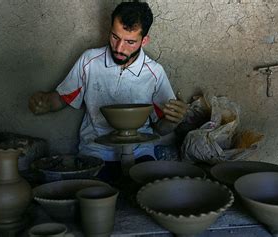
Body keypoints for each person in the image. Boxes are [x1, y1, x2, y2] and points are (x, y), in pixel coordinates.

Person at [28, 1, 187, 183]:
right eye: (114, 37)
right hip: (96, 151)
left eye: (130, 42)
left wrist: (174, 120)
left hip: (139, 152)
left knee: (148, 193)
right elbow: (63, 98)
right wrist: (45, 102)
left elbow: (160, 128)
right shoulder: (90, 61)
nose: (119, 48)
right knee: (92, 197)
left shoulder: (154, 73)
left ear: (144, 41)